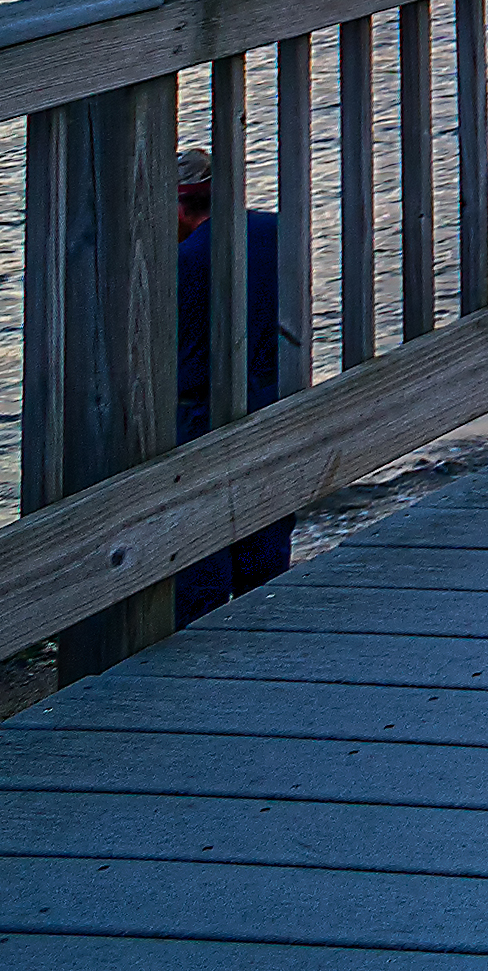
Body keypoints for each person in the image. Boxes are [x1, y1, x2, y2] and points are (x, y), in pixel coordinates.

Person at [171, 149, 296, 621]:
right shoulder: (275, 230)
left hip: (202, 414)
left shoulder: (184, 259)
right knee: (265, 539)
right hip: (271, 399)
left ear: (180, 207)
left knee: (200, 552)